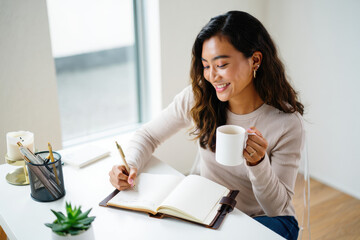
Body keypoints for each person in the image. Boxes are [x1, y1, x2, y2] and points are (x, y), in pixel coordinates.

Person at [109, 11, 304, 240]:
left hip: (262, 220)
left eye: (221, 64)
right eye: (205, 65)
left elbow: (276, 208)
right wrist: (129, 165)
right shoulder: (199, 98)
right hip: (210, 212)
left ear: (255, 60)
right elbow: (149, 135)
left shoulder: (286, 123)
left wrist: (258, 163)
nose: (212, 76)